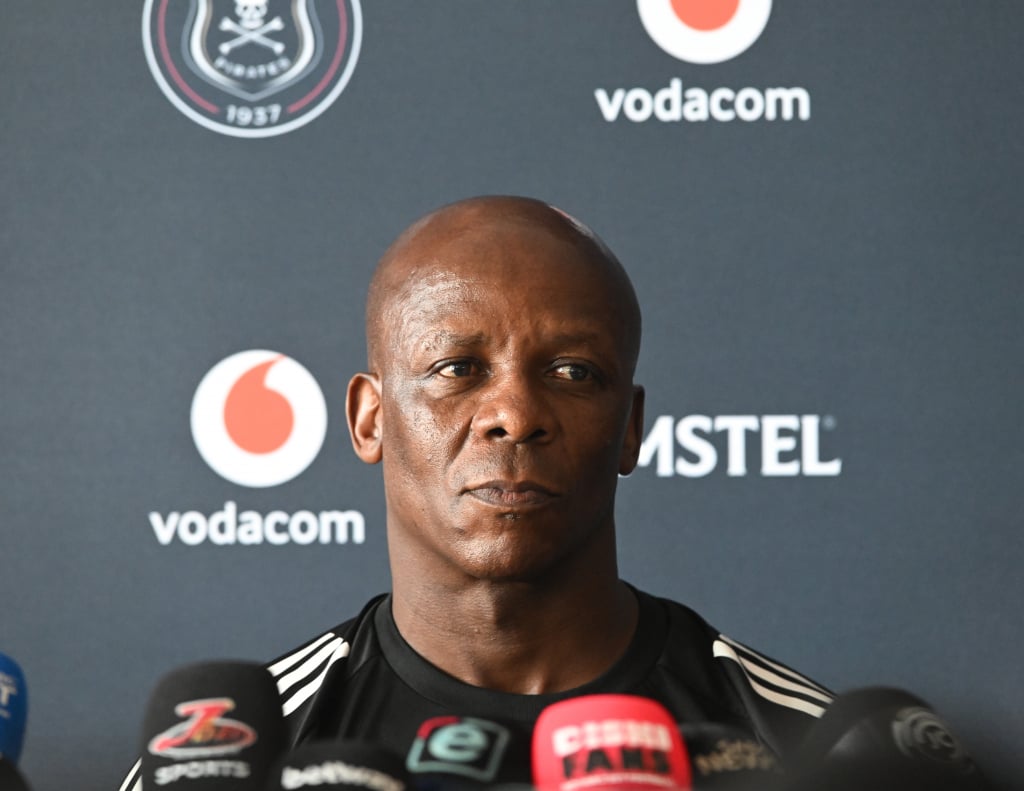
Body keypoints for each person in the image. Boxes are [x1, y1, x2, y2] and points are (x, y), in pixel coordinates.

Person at [119, 196, 832, 790]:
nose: (515, 414)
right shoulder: (235, 754)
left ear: (629, 429)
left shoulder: (803, 748)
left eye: (573, 372)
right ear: (370, 419)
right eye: (457, 367)